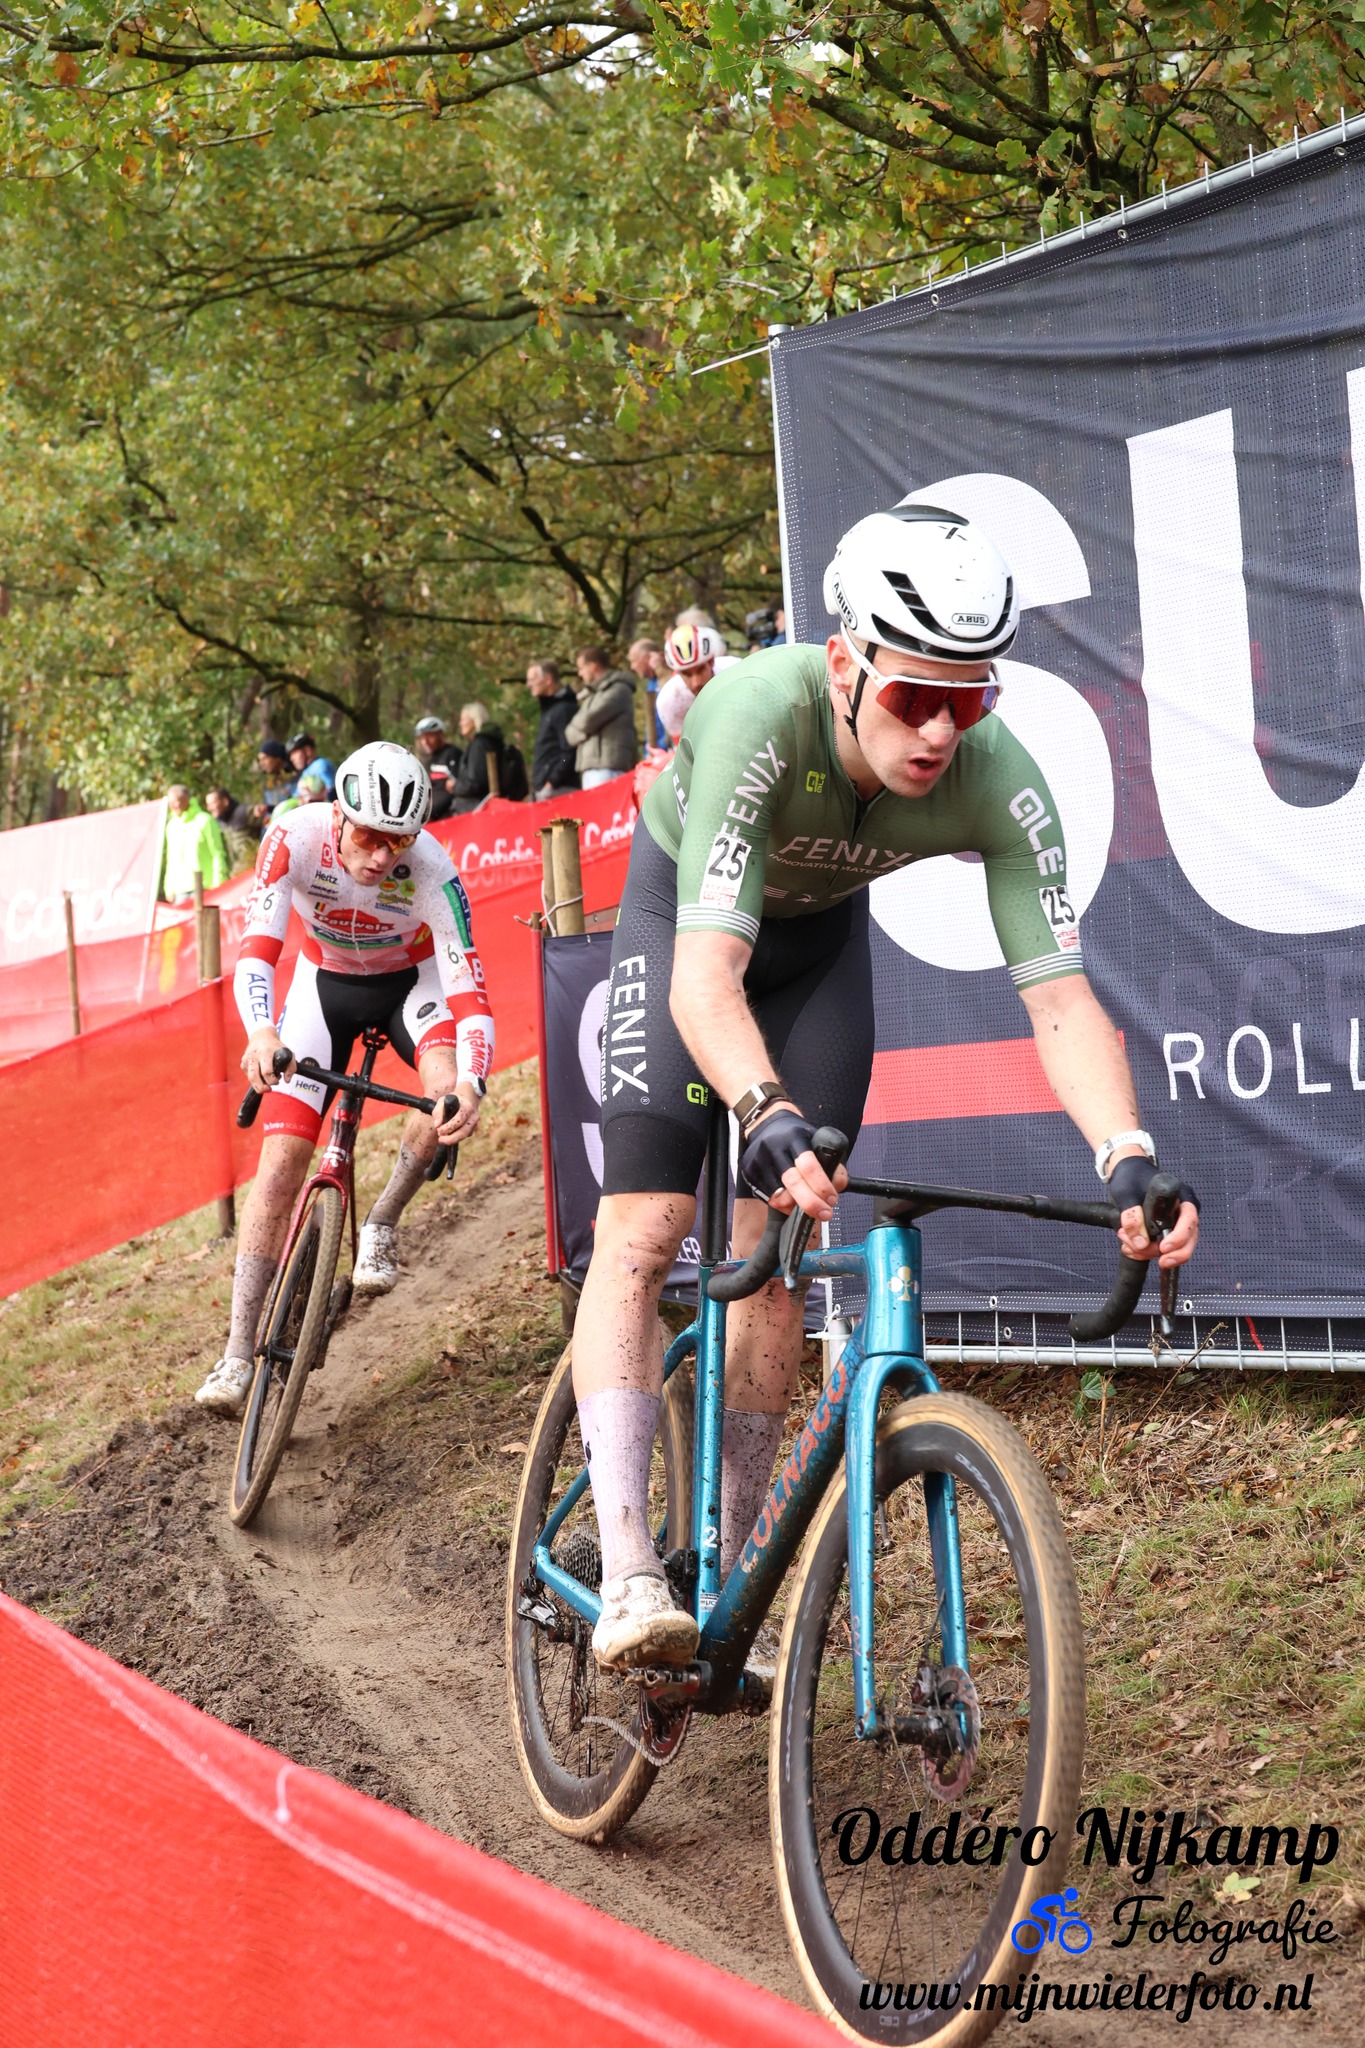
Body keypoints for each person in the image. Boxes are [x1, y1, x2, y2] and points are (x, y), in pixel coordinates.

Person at [572, 504, 1200, 1671]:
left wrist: (1127, 1151)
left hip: (817, 952)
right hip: (684, 926)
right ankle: (625, 1569)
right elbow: (705, 978)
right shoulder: (755, 712)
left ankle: (734, 1562)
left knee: (780, 1246)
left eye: (972, 699)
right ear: (845, 663)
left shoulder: (997, 777)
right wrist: (759, 1106)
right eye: (915, 695)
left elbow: (1062, 999)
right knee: (648, 1226)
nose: (942, 730)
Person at [194, 741, 495, 1418]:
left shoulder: (433, 869)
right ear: (338, 816)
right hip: (322, 985)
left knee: (443, 1090)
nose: (382, 856)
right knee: (279, 1166)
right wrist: (262, 1032)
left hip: (410, 985)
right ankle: (236, 1354)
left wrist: (471, 1082)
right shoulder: (293, 837)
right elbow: (257, 951)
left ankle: (381, 1220)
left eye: (399, 840)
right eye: (367, 836)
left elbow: (469, 993)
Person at [566, 646, 638, 790]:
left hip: (609, 766)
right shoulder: (595, 693)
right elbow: (570, 733)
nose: (580, 673)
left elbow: (587, 720)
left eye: (582, 668)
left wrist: (578, 730)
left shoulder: (618, 690)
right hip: (593, 766)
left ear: (593, 666)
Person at [655, 623, 724, 745]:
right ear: (677, 673)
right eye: (687, 674)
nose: (696, 682)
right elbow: (684, 750)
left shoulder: (736, 670)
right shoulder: (669, 701)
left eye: (700, 670)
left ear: (711, 661)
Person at [160, 785, 229, 905]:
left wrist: (219, 882)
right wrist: (169, 888)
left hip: (204, 887)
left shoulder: (205, 820)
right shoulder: (171, 826)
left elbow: (217, 853)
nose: (174, 805)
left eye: (177, 801)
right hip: (179, 891)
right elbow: (171, 859)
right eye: (171, 802)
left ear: (187, 799)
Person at [527, 659, 580, 799]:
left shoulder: (564, 710)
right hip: (546, 789)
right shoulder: (550, 711)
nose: (528, 685)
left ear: (548, 679)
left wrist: (553, 781)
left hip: (558, 791)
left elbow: (568, 752)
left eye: (532, 679)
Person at [449, 702, 506, 812]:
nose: (460, 723)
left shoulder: (479, 745)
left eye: (463, 719)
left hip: (477, 808)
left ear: (474, 720)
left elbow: (475, 783)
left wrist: (455, 786)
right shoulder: (490, 742)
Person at [414, 715, 463, 822]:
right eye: (422, 738)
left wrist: (430, 814)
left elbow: (455, 789)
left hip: (448, 818)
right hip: (431, 816)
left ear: (441, 734)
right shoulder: (430, 759)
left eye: (429, 736)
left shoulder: (453, 753)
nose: (425, 742)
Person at [204, 787, 258, 873]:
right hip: (238, 874)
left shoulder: (244, 812)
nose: (209, 808)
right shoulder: (220, 824)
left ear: (225, 801)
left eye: (212, 804)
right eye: (208, 805)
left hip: (255, 870)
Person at [628, 637, 669, 747]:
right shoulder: (651, 684)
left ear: (647, 657)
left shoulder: (668, 679)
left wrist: (662, 748)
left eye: (634, 661)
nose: (632, 667)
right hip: (655, 751)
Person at [286, 731, 336, 800]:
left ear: (308, 750)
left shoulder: (320, 765)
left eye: (294, 753)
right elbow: (296, 798)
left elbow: (332, 790)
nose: (291, 759)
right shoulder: (306, 772)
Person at [255, 740, 296, 822]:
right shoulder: (269, 784)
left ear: (277, 758)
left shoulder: (294, 778)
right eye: (260, 760)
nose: (262, 763)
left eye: (265, 758)